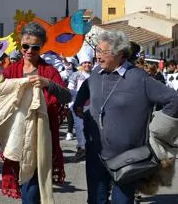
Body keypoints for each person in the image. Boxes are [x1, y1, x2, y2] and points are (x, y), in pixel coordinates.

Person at [73, 30, 178, 204]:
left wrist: (157, 132)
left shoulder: (139, 78)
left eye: (103, 52)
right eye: (97, 51)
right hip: (96, 153)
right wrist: (79, 104)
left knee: (122, 202)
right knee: (95, 200)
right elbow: (86, 88)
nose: (97, 57)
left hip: (128, 158)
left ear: (120, 54)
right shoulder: (95, 75)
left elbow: (174, 100)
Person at [0, 22, 71, 203]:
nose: (29, 51)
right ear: (20, 45)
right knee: (25, 187)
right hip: (16, 138)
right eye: (26, 46)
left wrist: (48, 83)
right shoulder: (11, 71)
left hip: (39, 141)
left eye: (35, 47)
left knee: (31, 194)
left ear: (42, 47)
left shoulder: (49, 71)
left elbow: (67, 96)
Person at [67, 45, 94, 161]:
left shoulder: (95, 75)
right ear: (81, 64)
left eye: (89, 62)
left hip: (92, 105)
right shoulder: (76, 75)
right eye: (84, 63)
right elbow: (70, 89)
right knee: (79, 127)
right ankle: (82, 148)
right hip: (78, 105)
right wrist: (78, 94)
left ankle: (89, 147)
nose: (87, 65)